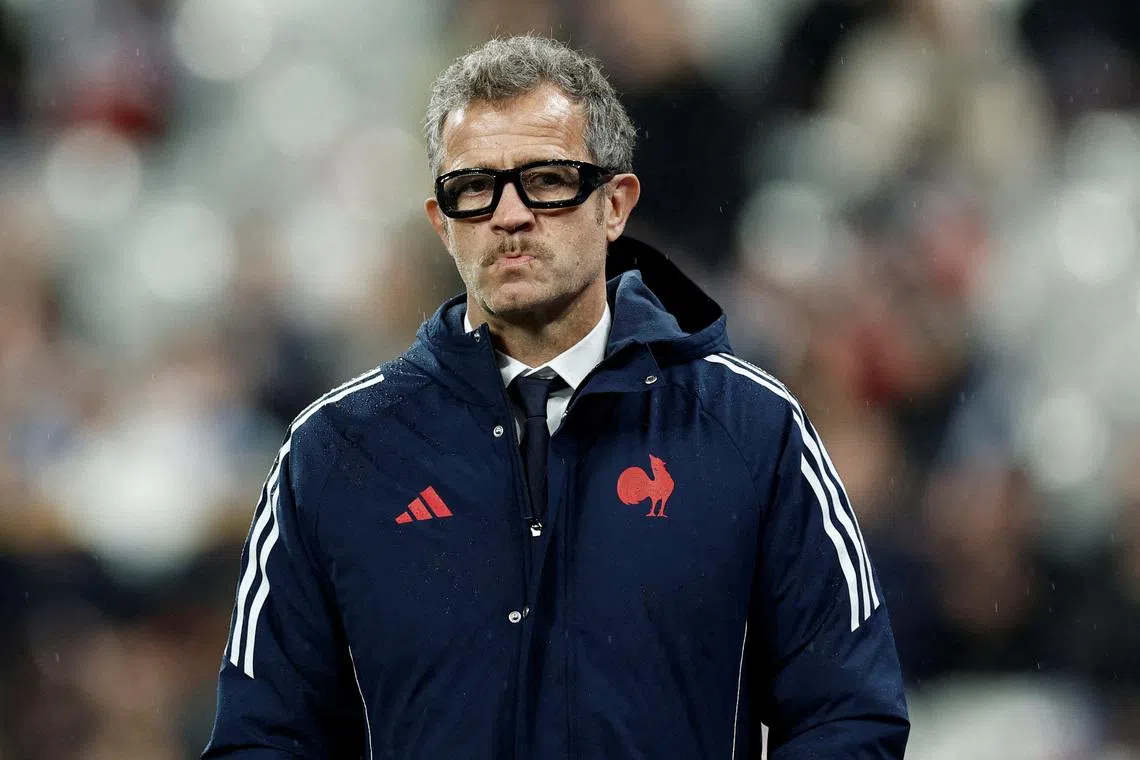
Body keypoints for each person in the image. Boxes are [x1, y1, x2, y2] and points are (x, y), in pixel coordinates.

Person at [203, 35, 910, 759]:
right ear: (442, 223)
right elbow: (262, 738)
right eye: (473, 188)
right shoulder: (334, 453)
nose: (509, 215)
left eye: (545, 180)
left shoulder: (750, 428)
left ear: (615, 205)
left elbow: (848, 717)